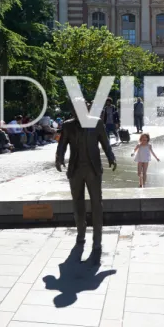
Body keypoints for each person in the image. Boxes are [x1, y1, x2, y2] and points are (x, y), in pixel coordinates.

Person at [55, 99, 117, 255]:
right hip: (75, 170)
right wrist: (59, 158)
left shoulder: (97, 123)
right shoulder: (68, 125)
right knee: (77, 203)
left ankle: (97, 239)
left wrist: (111, 157)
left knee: (96, 203)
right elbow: (62, 144)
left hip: (93, 169)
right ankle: (81, 234)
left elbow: (105, 143)